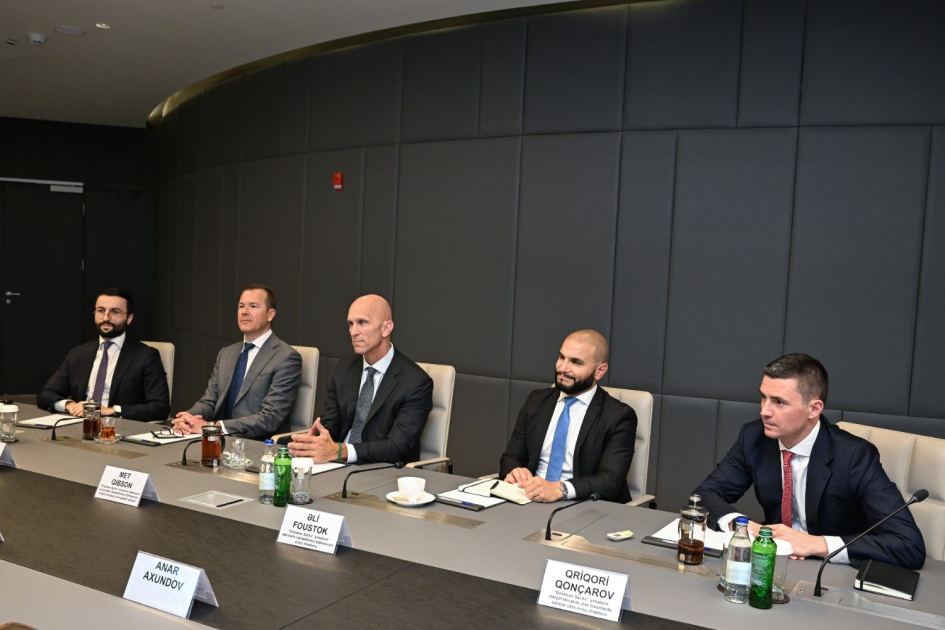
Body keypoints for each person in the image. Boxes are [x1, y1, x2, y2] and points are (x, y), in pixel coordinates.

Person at [693, 353, 925, 569]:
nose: (764, 411)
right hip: (776, 563)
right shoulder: (754, 438)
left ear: (814, 409)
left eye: (779, 402)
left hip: (830, 571)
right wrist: (741, 526)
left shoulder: (854, 456)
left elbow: (908, 545)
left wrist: (816, 544)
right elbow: (704, 495)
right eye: (763, 397)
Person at [288, 294, 432, 465]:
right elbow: (329, 426)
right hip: (336, 464)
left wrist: (341, 451)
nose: (353, 332)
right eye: (351, 323)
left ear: (386, 329)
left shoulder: (416, 382)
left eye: (362, 323)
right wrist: (313, 444)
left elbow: (396, 447)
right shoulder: (344, 368)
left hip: (382, 470)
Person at [499, 330, 637, 503]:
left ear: (599, 371)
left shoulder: (618, 416)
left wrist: (560, 489)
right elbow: (511, 457)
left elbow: (611, 480)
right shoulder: (536, 401)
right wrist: (515, 472)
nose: (563, 368)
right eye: (561, 357)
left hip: (583, 505)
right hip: (529, 499)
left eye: (576, 362)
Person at [172, 284, 301, 439]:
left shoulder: (286, 357)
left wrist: (213, 428)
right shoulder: (226, 353)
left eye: (253, 306)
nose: (244, 311)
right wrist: (188, 418)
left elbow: (270, 418)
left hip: (257, 443)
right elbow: (209, 402)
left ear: (270, 314)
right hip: (215, 440)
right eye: (241, 306)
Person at [37, 288, 170, 421]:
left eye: (115, 312)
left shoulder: (146, 356)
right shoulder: (78, 354)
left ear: (129, 318)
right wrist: (69, 405)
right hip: (78, 424)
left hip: (118, 427)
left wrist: (111, 411)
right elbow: (46, 394)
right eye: (101, 311)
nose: (106, 318)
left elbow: (160, 407)